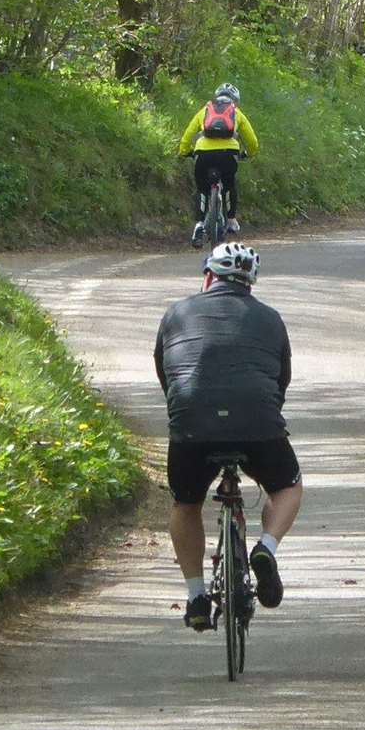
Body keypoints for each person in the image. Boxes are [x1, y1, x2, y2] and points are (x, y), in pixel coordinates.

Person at [154, 242, 303, 631]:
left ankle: (196, 597)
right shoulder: (270, 319)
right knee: (287, 487)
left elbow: (166, 375)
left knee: (186, 503)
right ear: (250, 285)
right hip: (257, 423)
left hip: (191, 426)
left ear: (208, 277)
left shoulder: (176, 314)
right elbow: (279, 381)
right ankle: (266, 548)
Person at [177, 83, 260, 246]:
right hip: (228, 155)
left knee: (202, 189)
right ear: (235, 100)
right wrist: (249, 154)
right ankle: (230, 220)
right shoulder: (236, 113)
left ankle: (199, 225)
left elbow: (188, 134)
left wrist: (184, 151)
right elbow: (252, 141)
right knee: (229, 184)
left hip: (203, 154)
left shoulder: (205, 110)